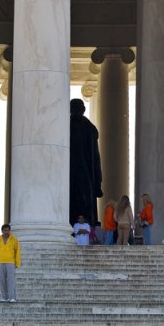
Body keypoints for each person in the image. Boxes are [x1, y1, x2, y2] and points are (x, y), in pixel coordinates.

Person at [69, 98, 103, 228]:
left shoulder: (64, 125)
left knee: (71, 203)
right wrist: (98, 182)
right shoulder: (90, 128)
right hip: (86, 174)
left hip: (70, 173)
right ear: (83, 110)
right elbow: (96, 157)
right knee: (86, 205)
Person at [0, 224, 21, 303]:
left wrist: (17, 263)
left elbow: (17, 252)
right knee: (2, 280)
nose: (6, 232)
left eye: (8, 230)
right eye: (5, 230)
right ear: (2, 231)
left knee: (11, 280)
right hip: (0, 262)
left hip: (10, 262)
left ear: (10, 231)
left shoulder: (14, 240)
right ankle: (4, 297)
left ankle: (12, 297)